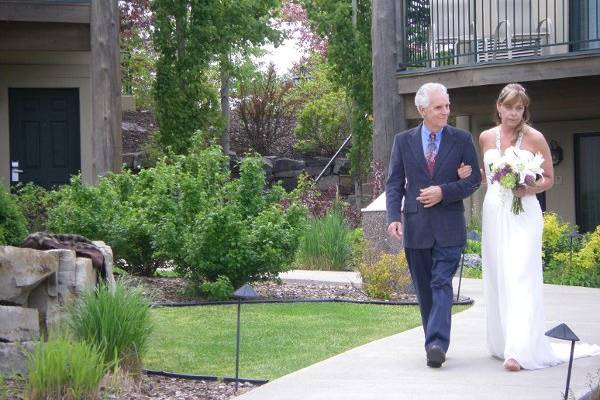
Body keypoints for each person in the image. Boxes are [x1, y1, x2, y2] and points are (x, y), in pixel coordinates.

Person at [472, 83, 600, 371]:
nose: (514, 113)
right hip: (494, 211)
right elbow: (488, 177)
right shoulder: (485, 137)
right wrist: (471, 176)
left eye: (519, 108)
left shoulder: (535, 138)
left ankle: (519, 350)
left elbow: (549, 178)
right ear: (498, 107)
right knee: (498, 274)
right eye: (509, 107)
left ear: (524, 110)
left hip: (524, 214)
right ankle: (502, 341)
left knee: (521, 275)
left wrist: (527, 188)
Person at [386, 82, 481, 368]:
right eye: (439, 107)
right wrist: (394, 216)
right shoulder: (403, 141)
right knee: (425, 290)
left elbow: (474, 179)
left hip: (449, 226)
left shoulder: (462, 139)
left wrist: (444, 191)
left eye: (447, 106)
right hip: (416, 228)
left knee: (441, 282)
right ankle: (433, 341)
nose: (445, 112)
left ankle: (437, 343)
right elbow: (394, 183)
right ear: (422, 109)